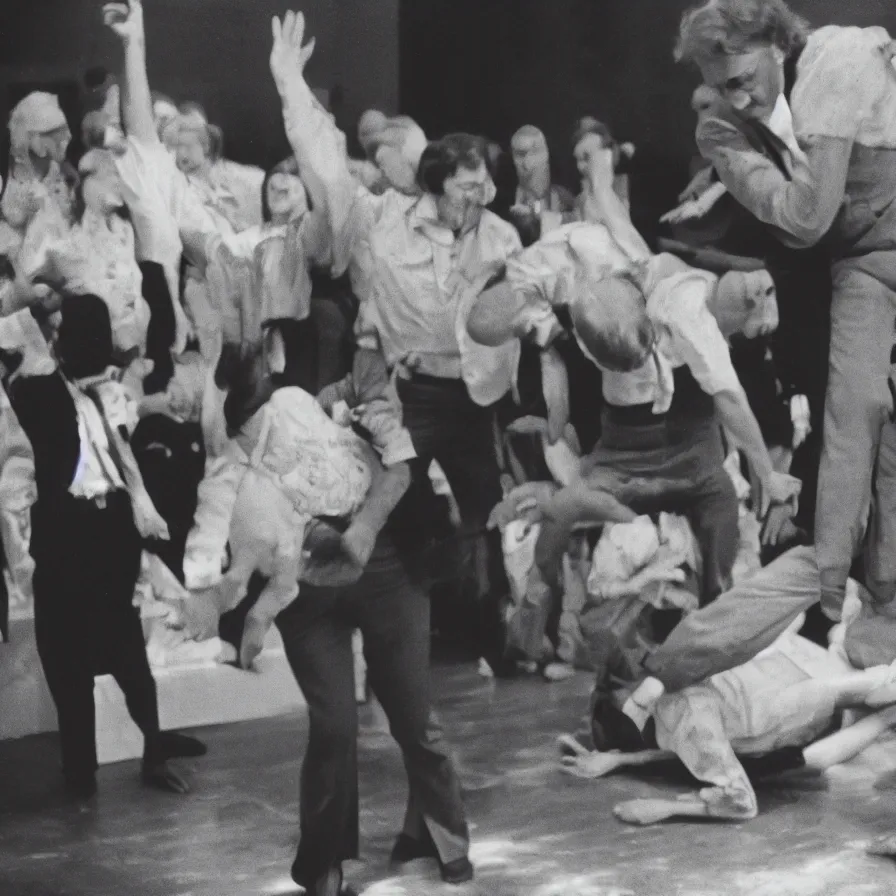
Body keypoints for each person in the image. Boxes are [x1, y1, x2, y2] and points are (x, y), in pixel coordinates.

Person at [267, 11, 523, 671]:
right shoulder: (376, 222)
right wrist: (290, 84)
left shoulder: (492, 230)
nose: (383, 155)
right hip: (409, 393)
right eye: (381, 151)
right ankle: (399, 638)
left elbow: (522, 304)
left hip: (475, 397)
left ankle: (494, 633)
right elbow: (323, 162)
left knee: (487, 514)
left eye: (396, 146)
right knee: (397, 511)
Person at [674, 0, 896, 617]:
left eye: (741, 81)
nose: (733, 100)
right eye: (718, 88)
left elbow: (806, 214)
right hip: (837, 291)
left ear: (774, 41)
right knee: (850, 434)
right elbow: (805, 219)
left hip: (860, 269)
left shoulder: (837, 56)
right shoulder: (718, 127)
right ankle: (847, 614)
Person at [470, 215, 798, 605]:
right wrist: (548, 345)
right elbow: (484, 323)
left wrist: (769, 474)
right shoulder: (559, 277)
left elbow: (730, 400)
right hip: (596, 391)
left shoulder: (670, 300)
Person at [3, 294, 203, 798]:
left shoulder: (109, 393)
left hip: (109, 527)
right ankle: (80, 771)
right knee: (64, 659)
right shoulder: (36, 386)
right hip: (64, 530)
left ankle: (154, 749)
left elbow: (126, 448)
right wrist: (31, 298)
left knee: (126, 650)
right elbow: (13, 329)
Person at [560, 588, 896, 826]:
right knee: (871, 683)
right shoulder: (686, 728)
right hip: (797, 699)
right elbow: (741, 802)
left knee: (845, 649)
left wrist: (620, 759)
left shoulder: (667, 706)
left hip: (784, 671)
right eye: (621, 693)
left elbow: (674, 747)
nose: (627, 683)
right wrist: (663, 808)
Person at [508, 125, 576, 235]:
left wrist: (538, 216)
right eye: (520, 155)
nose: (528, 163)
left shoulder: (564, 195)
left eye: (535, 152)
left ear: (546, 154)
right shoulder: (505, 197)